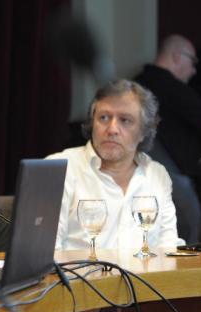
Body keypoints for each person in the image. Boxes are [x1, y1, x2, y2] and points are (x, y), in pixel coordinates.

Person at [47, 80, 184, 251]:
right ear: (92, 123)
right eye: (103, 118)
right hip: (78, 277)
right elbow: (45, 254)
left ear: (144, 131)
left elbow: (168, 247)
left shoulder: (157, 174)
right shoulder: (59, 169)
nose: (112, 129)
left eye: (125, 120)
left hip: (144, 277)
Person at [134, 34, 201, 177]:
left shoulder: (137, 82)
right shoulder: (170, 86)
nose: (194, 70)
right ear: (177, 56)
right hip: (172, 177)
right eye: (193, 61)